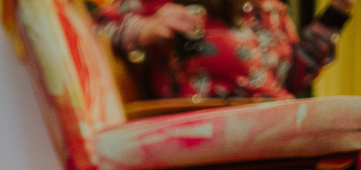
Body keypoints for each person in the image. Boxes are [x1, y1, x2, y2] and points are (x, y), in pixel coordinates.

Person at [92, 0, 354, 100]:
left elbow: (293, 78)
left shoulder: (269, 9)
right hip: (206, 135)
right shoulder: (164, 4)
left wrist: (336, 13)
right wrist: (145, 28)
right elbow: (93, 28)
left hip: (278, 129)